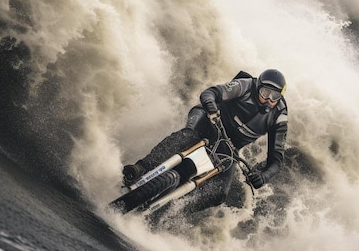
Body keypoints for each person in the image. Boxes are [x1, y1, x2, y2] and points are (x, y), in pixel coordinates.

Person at [122, 69, 288, 212]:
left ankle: (169, 212)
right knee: (187, 135)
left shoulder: (279, 116)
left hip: (229, 148)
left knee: (219, 194)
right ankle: (140, 168)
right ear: (258, 87)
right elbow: (209, 93)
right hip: (209, 120)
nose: (269, 100)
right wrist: (211, 108)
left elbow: (276, 161)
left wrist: (264, 177)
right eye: (265, 93)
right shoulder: (246, 85)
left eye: (275, 96)